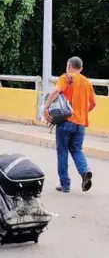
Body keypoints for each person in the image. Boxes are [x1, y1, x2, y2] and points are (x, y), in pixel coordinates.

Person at [44, 56, 96, 193]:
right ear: (81, 69)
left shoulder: (66, 77)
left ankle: (65, 184)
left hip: (66, 121)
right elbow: (94, 104)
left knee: (62, 152)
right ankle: (85, 172)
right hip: (80, 124)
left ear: (69, 66)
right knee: (77, 149)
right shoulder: (87, 83)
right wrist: (84, 113)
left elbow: (55, 91)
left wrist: (46, 107)